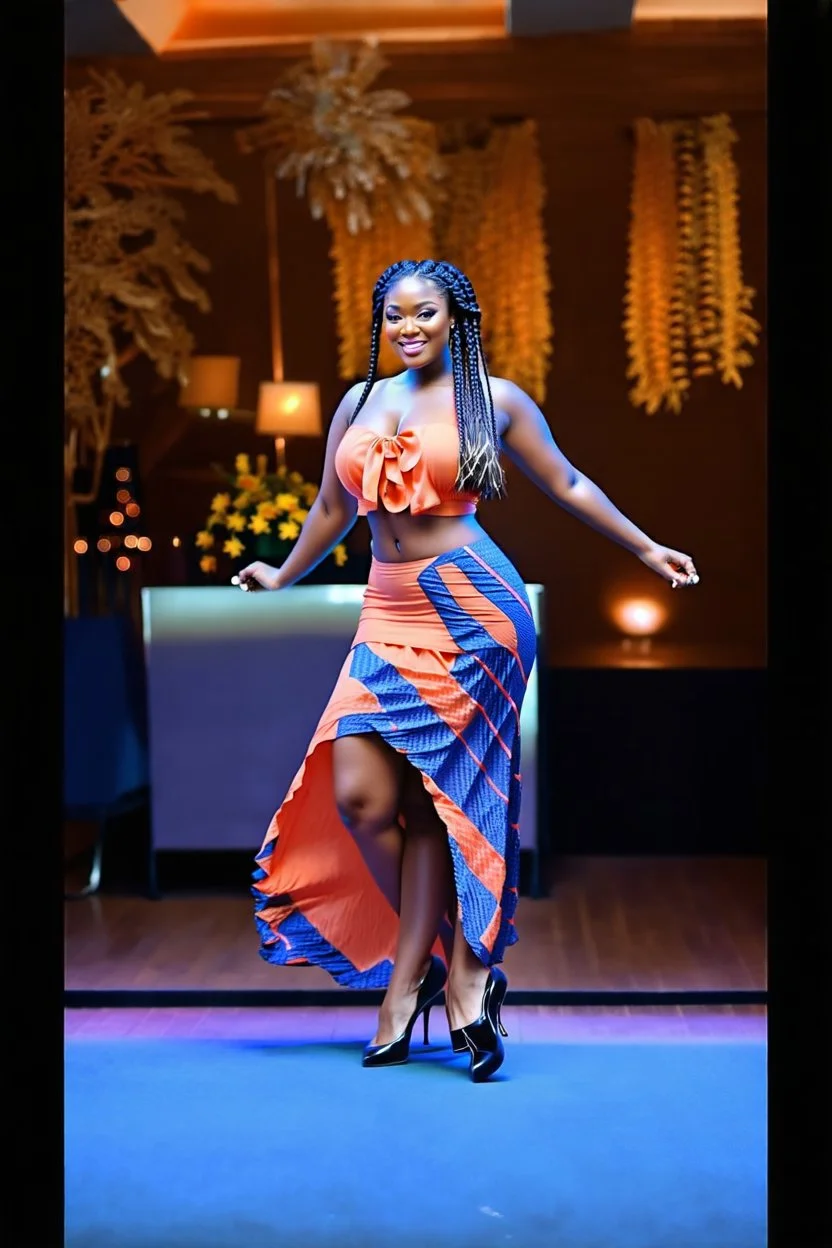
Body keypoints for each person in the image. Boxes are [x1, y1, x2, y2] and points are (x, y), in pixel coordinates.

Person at [237, 258, 699, 1082]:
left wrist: (644, 545)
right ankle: (455, 967)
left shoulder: (494, 398)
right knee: (362, 796)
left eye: (425, 314)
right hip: (386, 612)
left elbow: (566, 482)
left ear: (457, 320)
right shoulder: (357, 402)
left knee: (441, 809)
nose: (409, 328)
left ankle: (430, 983)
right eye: (395, 316)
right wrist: (282, 573)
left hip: (474, 614)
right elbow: (333, 509)